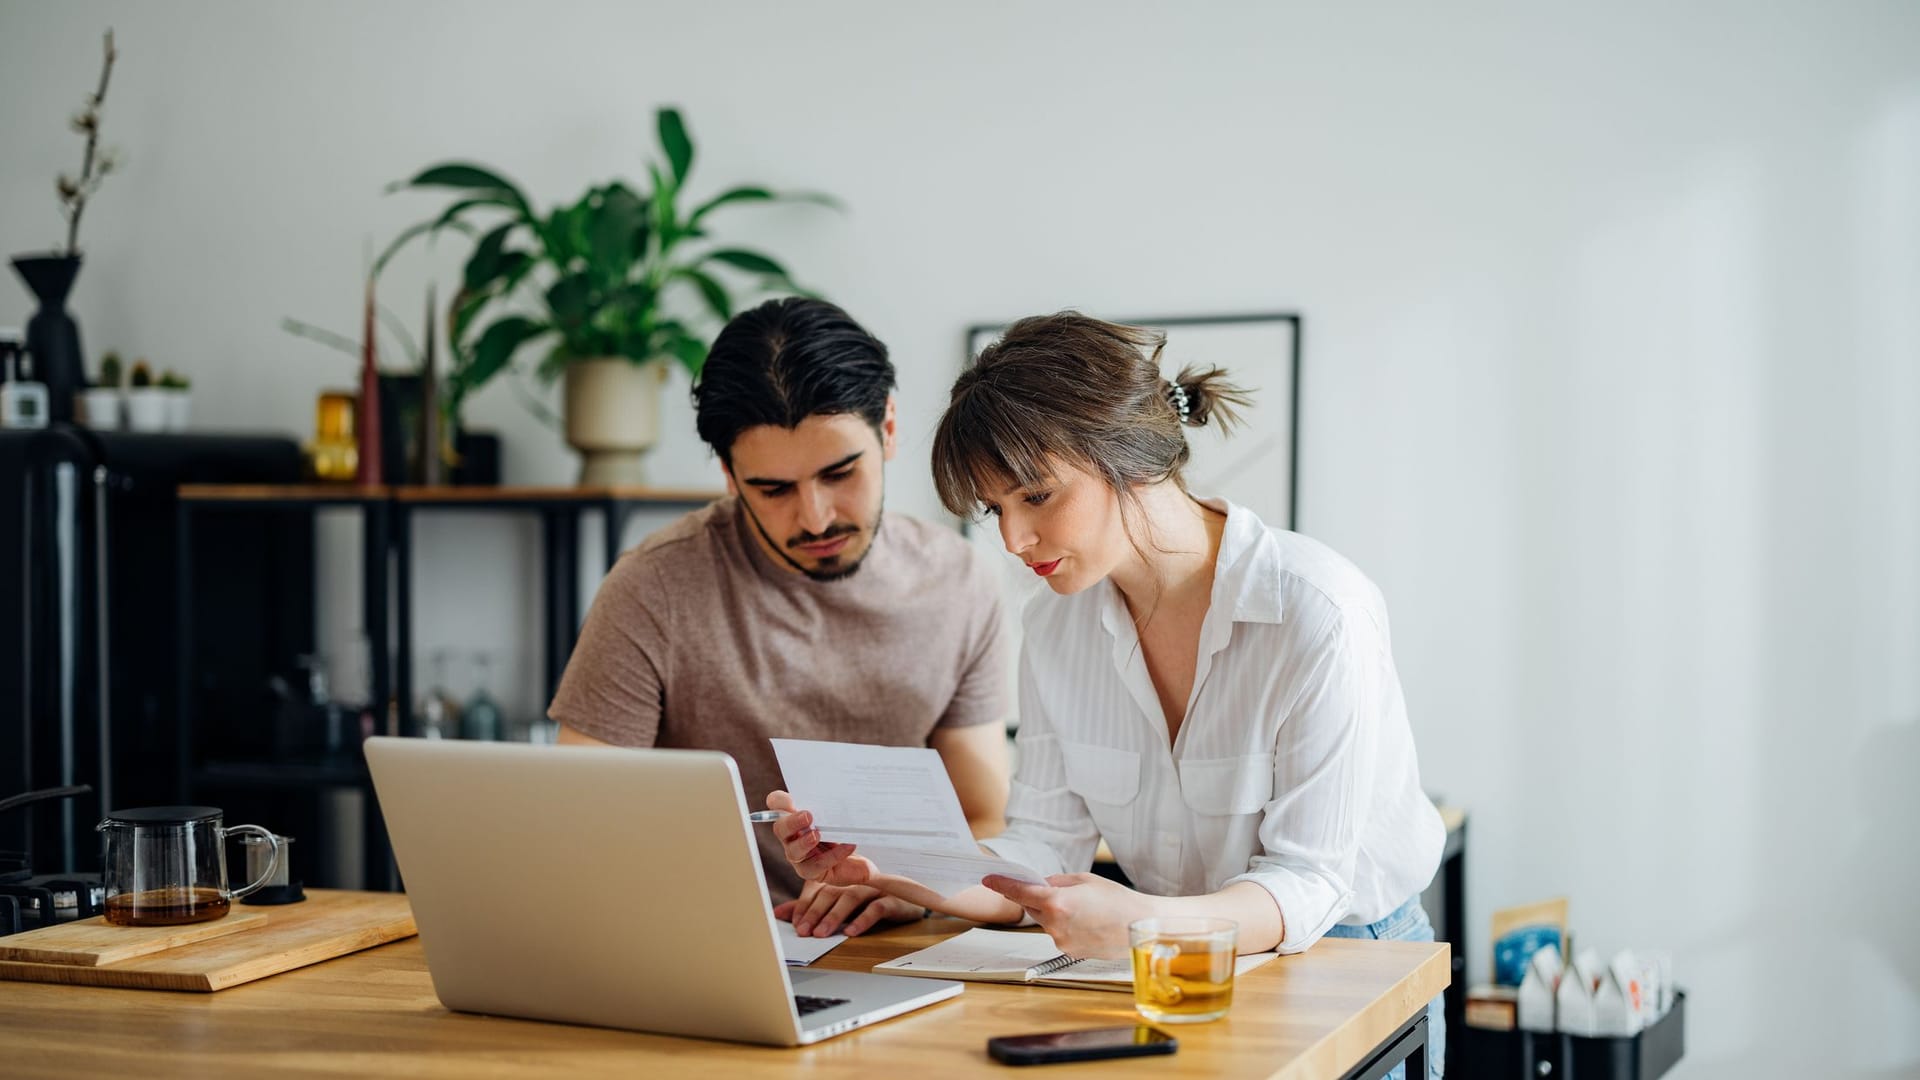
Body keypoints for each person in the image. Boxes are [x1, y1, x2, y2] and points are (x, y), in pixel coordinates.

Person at [770, 312, 1446, 1076]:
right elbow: (1042, 849)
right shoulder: (1057, 625)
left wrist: (1144, 920)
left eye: (1036, 496)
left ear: (1128, 456)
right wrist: (886, 864)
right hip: (1167, 970)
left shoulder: (1317, 611)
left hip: (1349, 961)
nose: (1014, 541)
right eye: (996, 510)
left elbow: (1311, 882)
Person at [551, 297, 1012, 938]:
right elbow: (576, 824)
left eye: (840, 472)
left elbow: (983, 817)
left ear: (889, 429)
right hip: (707, 945)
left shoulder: (957, 582)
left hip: (899, 946)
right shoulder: (654, 587)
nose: (816, 518)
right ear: (729, 475)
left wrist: (916, 892)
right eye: (773, 490)